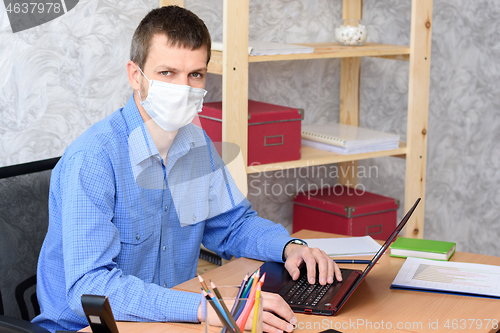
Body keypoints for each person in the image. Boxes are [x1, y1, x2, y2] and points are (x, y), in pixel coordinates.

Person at [32, 6, 342, 333]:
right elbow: (90, 287)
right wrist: (206, 308)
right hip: (84, 328)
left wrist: (289, 248)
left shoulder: (195, 143)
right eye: (167, 73)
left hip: (167, 321)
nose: (184, 87)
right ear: (135, 75)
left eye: (195, 74)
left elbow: (233, 224)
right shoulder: (94, 158)